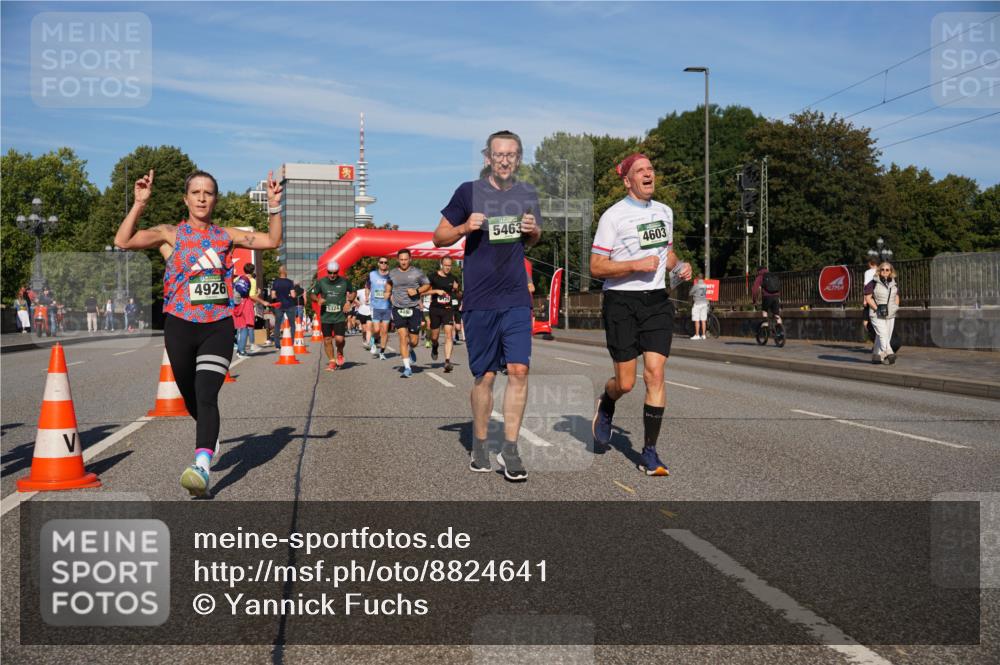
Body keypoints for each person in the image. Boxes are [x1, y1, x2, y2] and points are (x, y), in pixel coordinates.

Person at [114, 168, 282, 497]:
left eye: (208, 193)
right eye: (196, 193)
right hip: (179, 325)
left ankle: (201, 465)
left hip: (218, 325)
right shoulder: (169, 234)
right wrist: (138, 204)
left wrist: (274, 207)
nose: (202, 198)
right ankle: (210, 433)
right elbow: (123, 241)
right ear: (186, 199)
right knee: (189, 394)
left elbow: (272, 241)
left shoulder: (225, 236)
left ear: (215, 199)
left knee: (206, 394)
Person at [433, 129, 541, 481]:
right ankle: (480, 444)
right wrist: (465, 226)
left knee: (519, 371)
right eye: (499, 154)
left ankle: (510, 449)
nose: (505, 160)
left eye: (512, 154)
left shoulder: (527, 193)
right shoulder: (468, 192)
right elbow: (439, 237)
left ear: (519, 158)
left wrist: (531, 229)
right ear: (488, 158)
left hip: (514, 297)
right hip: (480, 299)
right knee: (485, 376)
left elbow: (535, 236)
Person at [589, 153, 691, 477]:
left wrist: (679, 265)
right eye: (640, 170)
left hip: (657, 302)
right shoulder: (613, 217)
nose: (649, 174)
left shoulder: (665, 212)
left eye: (651, 169)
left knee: (655, 374)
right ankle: (607, 401)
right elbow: (596, 267)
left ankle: (649, 453)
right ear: (627, 180)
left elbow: (666, 251)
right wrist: (634, 265)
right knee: (626, 382)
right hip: (620, 302)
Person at [386, 249, 430, 378]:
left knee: (414, 340)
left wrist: (416, 291)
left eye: (406, 259)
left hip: (414, 308)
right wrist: (388, 295)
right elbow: (388, 284)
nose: (403, 262)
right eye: (401, 259)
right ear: (398, 260)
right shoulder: (393, 273)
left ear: (410, 259)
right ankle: (407, 367)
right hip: (398, 307)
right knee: (402, 336)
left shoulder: (417, 272)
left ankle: (411, 350)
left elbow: (427, 285)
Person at [310, 260, 355, 371]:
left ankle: (340, 352)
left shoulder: (344, 282)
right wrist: (318, 299)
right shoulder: (321, 282)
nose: (332, 275)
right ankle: (332, 361)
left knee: (339, 339)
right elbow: (312, 294)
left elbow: (353, 292)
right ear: (327, 272)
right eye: (330, 272)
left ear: (338, 272)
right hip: (326, 316)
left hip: (339, 315)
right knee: (327, 339)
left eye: (335, 273)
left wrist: (348, 302)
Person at [428, 257, 460, 372]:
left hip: (447, 309)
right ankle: (435, 346)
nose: (447, 268)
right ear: (441, 264)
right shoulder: (433, 277)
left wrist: (456, 290)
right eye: (445, 265)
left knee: (448, 334)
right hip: (435, 309)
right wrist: (436, 291)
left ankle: (447, 361)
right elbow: (423, 291)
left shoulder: (453, 278)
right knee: (434, 337)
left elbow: (457, 295)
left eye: (450, 265)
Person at [864, 262, 900, 365]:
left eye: (887, 270)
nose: (885, 271)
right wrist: (877, 308)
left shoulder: (893, 283)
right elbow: (868, 298)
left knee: (885, 335)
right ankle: (889, 353)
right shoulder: (873, 282)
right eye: (882, 269)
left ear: (891, 272)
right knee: (882, 333)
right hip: (876, 313)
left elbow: (896, 296)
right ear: (879, 271)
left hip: (890, 314)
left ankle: (876, 356)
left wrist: (895, 307)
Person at [367, 257, 393, 359]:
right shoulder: (372, 274)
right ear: (378, 264)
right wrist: (366, 294)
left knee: (385, 331)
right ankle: (373, 341)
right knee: (377, 329)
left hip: (387, 306)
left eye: (385, 262)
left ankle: (382, 352)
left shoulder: (391, 276)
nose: (383, 264)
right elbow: (367, 285)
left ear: (388, 264)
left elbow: (394, 288)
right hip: (375, 306)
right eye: (381, 262)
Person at [270, 266, 297, 347]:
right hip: (289, 305)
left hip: (279, 305)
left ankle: (277, 344)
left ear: (279, 272)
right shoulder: (290, 282)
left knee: (277, 324)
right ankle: (291, 342)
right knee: (292, 324)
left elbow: (273, 296)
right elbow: (293, 295)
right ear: (286, 272)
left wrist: (278, 296)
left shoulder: (276, 282)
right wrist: (293, 294)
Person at [752, 265, 781, 331]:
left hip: (767, 297)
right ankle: (780, 331)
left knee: (764, 311)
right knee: (777, 315)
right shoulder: (772, 275)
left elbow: (754, 290)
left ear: (759, 271)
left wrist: (754, 300)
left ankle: (766, 325)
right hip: (776, 296)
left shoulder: (760, 276)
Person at [862, 256, 878, 347]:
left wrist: (865, 300)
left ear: (871, 264)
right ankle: (879, 341)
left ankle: (875, 341)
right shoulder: (881, 270)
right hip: (879, 299)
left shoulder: (868, 272)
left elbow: (866, 286)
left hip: (870, 298)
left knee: (866, 322)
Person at [355, 281, 374, 350]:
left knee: (369, 328)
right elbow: (352, 296)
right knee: (364, 329)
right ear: (365, 285)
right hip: (362, 312)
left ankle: (368, 343)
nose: (369, 286)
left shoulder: (373, 292)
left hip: (371, 312)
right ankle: (364, 339)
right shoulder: (360, 291)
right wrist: (358, 302)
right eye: (368, 284)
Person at [690, 273, 708, 340]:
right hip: (704, 303)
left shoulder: (696, 285)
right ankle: (703, 335)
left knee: (697, 320)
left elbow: (690, 293)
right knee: (703, 320)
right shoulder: (705, 286)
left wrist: (694, 293)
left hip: (697, 303)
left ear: (697, 278)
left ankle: (697, 335)